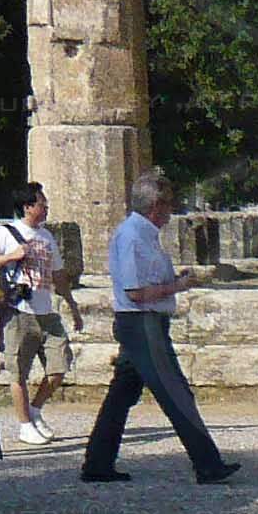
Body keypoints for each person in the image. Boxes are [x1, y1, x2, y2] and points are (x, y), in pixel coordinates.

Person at [78, 171, 238, 489]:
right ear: (156, 205)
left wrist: (172, 282)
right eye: (168, 205)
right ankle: (207, 463)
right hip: (141, 322)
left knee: (121, 394)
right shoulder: (132, 236)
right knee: (175, 391)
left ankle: (98, 462)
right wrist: (177, 285)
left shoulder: (144, 235)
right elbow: (135, 291)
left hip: (145, 321)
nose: (171, 212)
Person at [0, 185, 76, 446]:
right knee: (17, 371)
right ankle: (23, 425)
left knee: (59, 367)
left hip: (46, 312)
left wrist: (72, 306)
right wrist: (11, 256)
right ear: (27, 206)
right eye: (42, 203)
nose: (46, 207)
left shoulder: (47, 237)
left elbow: (58, 275)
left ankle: (35, 410)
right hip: (19, 311)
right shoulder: (5, 233)